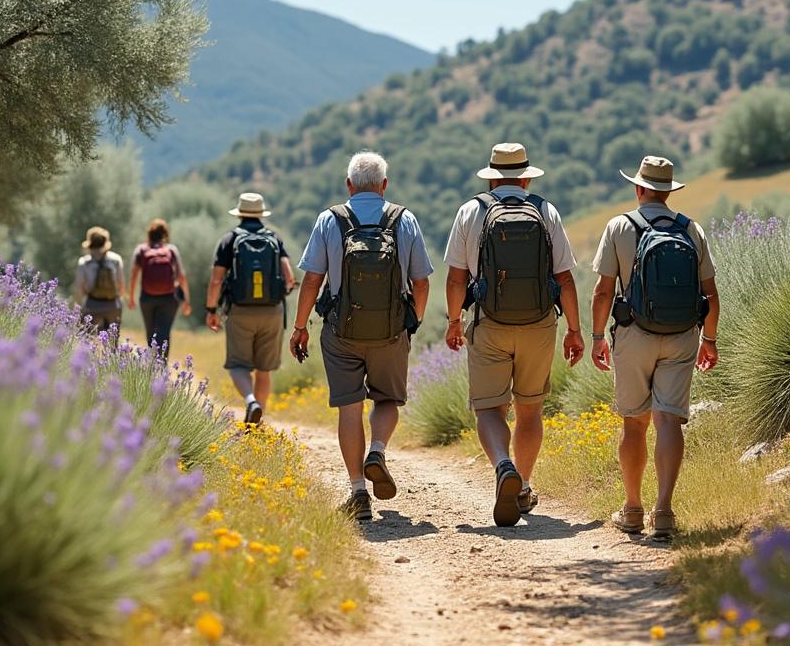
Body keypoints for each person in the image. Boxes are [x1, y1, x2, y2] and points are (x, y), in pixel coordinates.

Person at [443, 142, 584, 528]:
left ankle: (502, 465)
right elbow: (565, 278)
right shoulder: (545, 210)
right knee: (530, 408)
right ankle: (522, 484)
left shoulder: (471, 211)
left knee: (489, 408)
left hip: (489, 322)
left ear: (491, 177)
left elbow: (456, 277)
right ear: (525, 177)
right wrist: (574, 329)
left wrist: (455, 321)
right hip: (539, 325)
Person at [290, 152, 433, 521]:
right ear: (384, 185)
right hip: (390, 331)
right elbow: (421, 282)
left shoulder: (328, 219)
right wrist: (411, 320)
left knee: (349, 408)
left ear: (349, 185)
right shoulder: (405, 219)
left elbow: (311, 279)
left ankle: (357, 492)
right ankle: (378, 450)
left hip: (341, 331)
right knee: (387, 400)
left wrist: (300, 326)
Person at [590, 156, 720, 542]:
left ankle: (632, 509)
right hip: (682, 336)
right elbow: (710, 294)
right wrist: (709, 339)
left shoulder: (619, 226)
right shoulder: (691, 230)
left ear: (639, 188)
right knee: (668, 421)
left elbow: (602, 291)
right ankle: (663, 512)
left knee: (634, 421)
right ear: (668, 191)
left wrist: (598, 337)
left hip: (633, 336)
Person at [205, 193, 296, 426]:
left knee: (238, 365)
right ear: (260, 213)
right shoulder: (274, 238)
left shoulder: (229, 240)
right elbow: (289, 278)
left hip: (240, 311)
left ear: (240, 213)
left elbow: (216, 280)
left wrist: (211, 309)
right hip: (272, 311)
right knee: (264, 369)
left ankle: (250, 401)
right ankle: (257, 422)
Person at [127, 218, 192, 357]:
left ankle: (152, 365)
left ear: (149, 234)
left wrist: (131, 297)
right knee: (164, 332)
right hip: (169, 298)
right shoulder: (171, 250)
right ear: (165, 234)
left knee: (151, 333)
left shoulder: (141, 250)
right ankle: (161, 366)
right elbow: (182, 276)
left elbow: (133, 275)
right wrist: (187, 300)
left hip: (147, 298)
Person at [74, 226, 127, 341]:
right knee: (112, 343)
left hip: (92, 304)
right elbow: (121, 285)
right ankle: (111, 358)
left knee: (86, 340)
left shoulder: (85, 262)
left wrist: (80, 305)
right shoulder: (116, 260)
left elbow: (79, 289)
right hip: (113, 304)